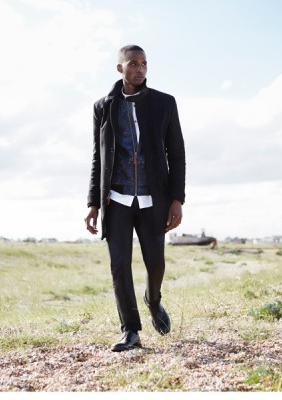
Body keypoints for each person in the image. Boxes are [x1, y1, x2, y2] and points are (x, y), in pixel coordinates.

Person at [84, 44, 186, 352]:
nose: (140, 69)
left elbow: (176, 153)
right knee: (119, 266)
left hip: (153, 199)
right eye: (133, 64)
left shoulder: (164, 103)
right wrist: (93, 202)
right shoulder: (103, 107)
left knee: (155, 263)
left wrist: (177, 199)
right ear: (120, 68)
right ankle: (130, 330)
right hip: (116, 200)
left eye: (144, 63)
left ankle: (153, 300)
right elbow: (98, 157)